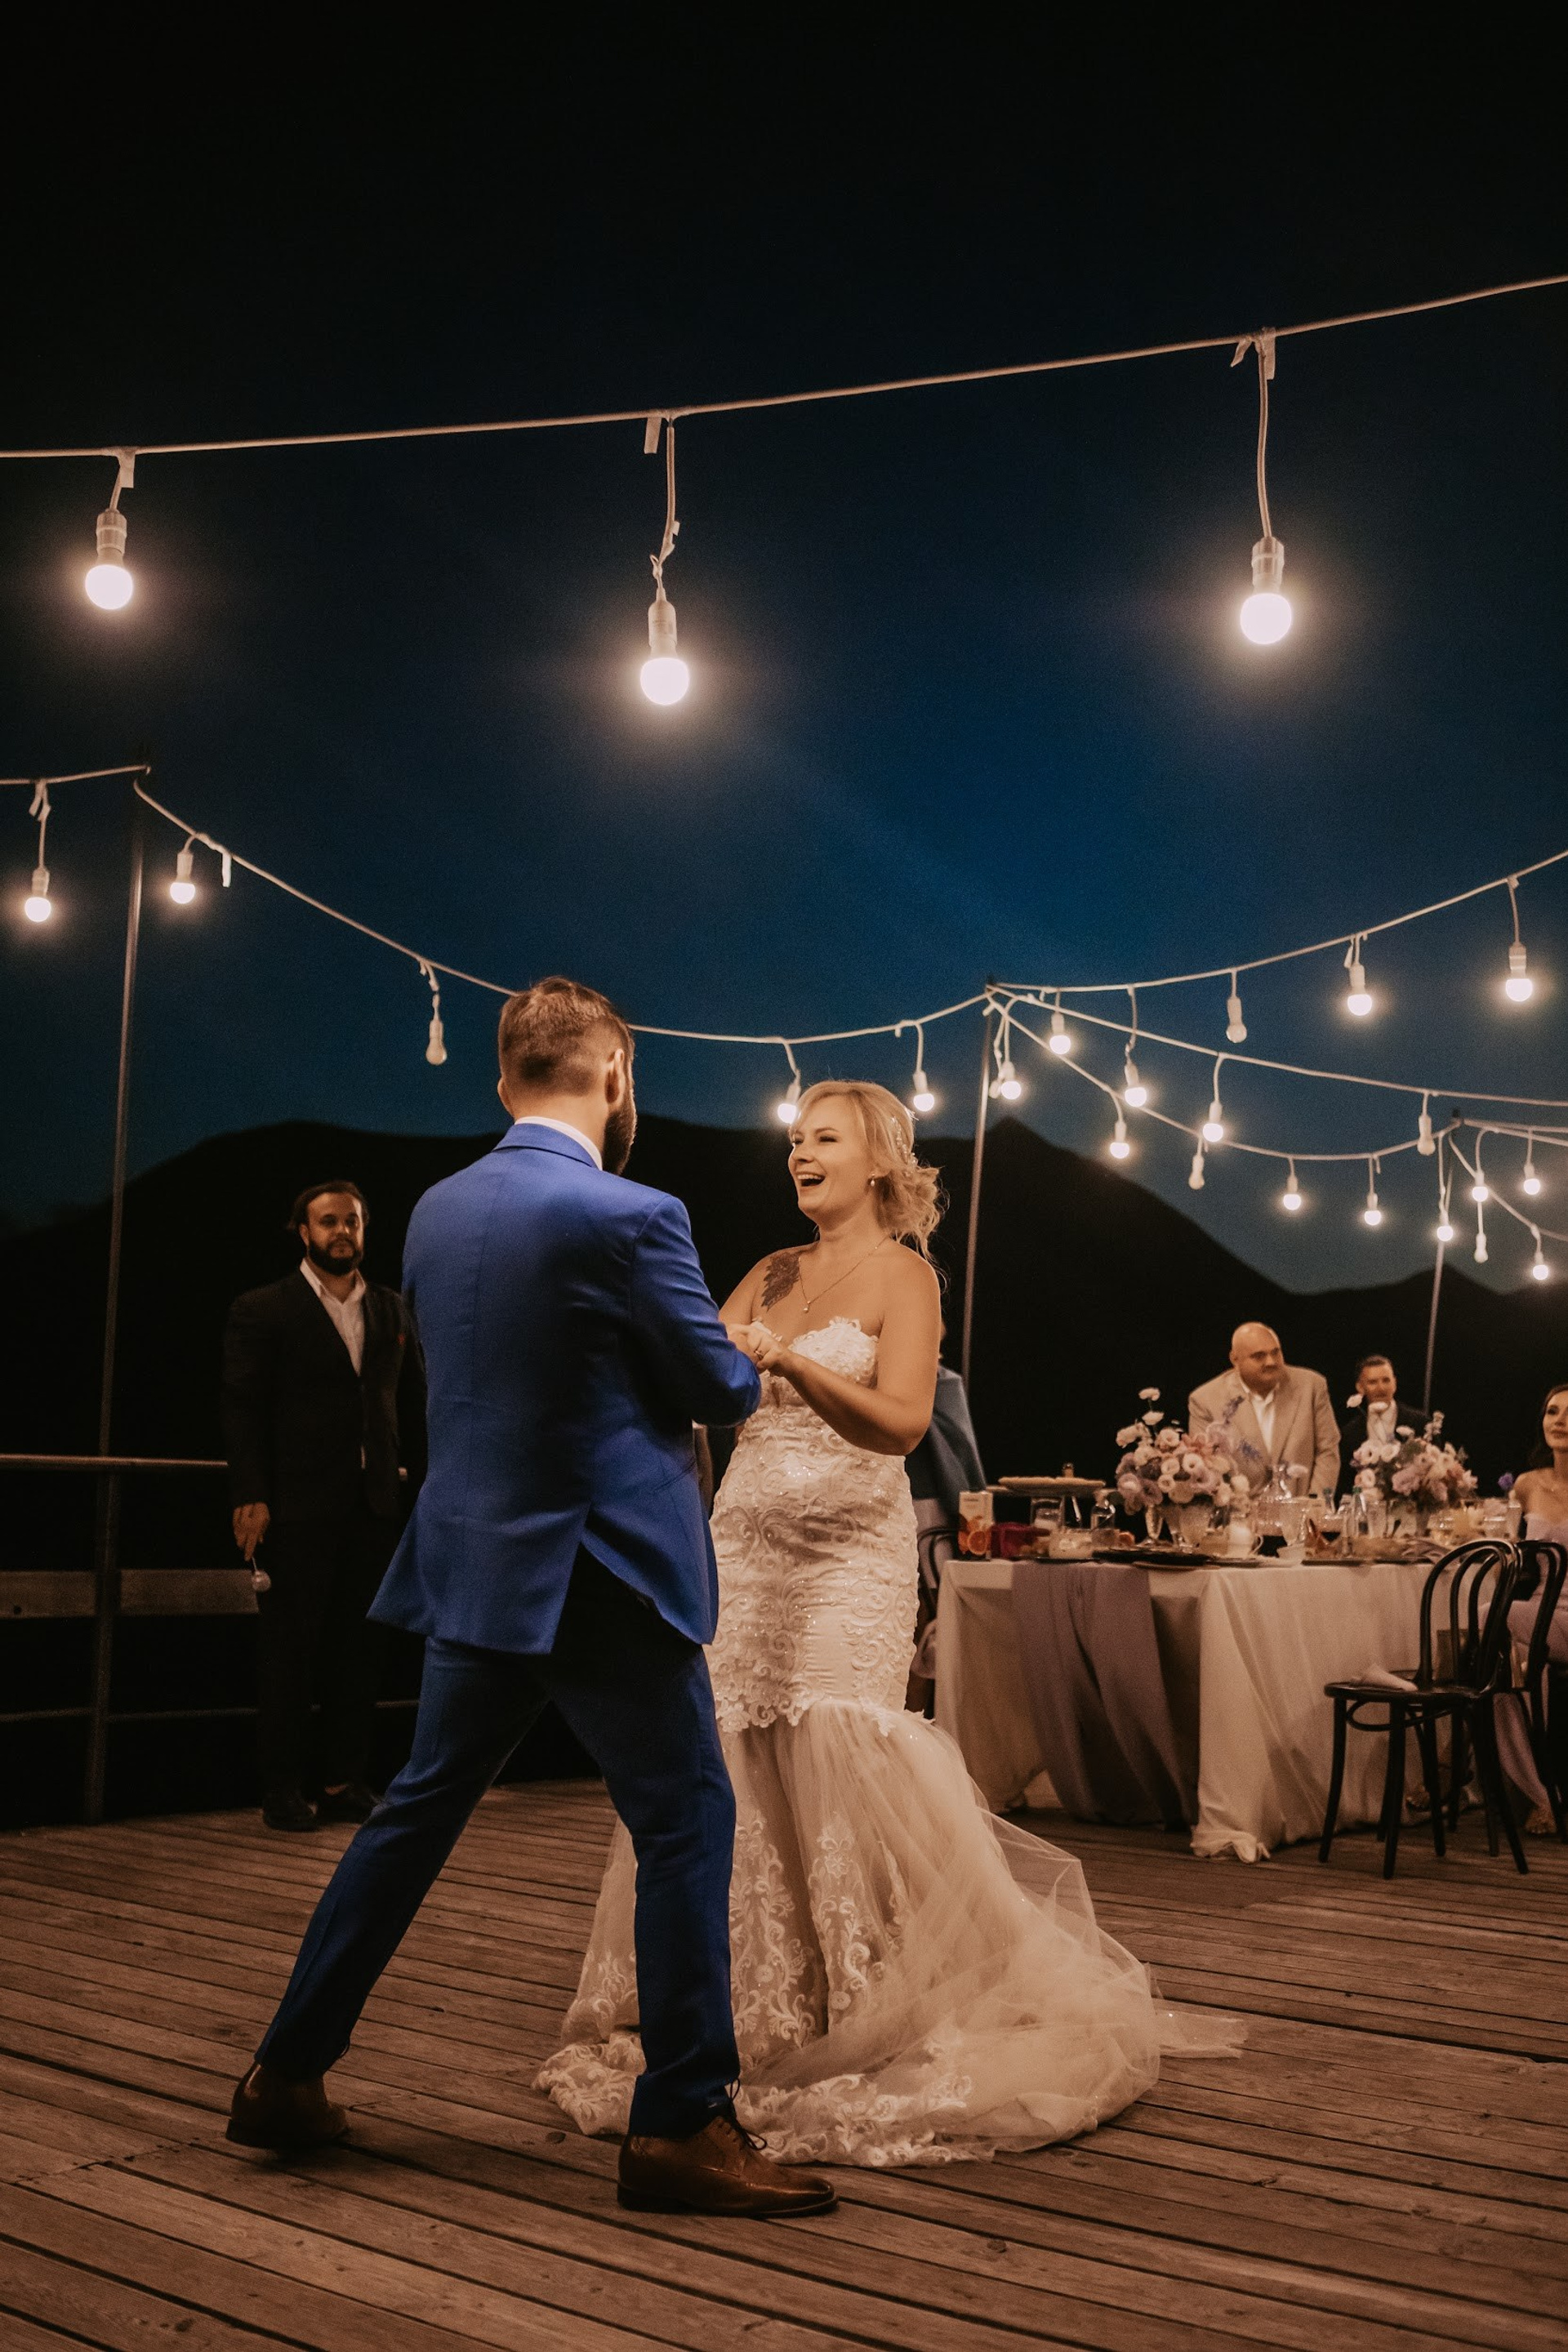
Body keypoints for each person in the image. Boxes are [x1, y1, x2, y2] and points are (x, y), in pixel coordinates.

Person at [226, 977, 835, 2221]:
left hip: (475, 1565)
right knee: (685, 1820)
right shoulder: (636, 1214)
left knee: (413, 1814)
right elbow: (715, 1389)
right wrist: (740, 1355)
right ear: (615, 1075)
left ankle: (283, 2073)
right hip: (604, 1570)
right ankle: (680, 2126)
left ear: (504, 1079)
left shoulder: (437, 1213)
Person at [540, 1080, 1236, 2167]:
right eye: (793, 1140)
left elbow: (904, 1422)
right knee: (730, 1758)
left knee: (841, 1751)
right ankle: (741, 2005)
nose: (798, 1154)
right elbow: (702, 1384)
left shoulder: (908, 1277)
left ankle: (870, 2003)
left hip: (845, 1559)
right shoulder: (769, 1272)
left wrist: (790, 1363)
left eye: (822, 1138)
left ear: (876, 1163)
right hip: (744, 1553)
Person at [222, 1182, 426, 1833]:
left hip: (375, 1507)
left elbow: (414, 1406)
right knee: (290, 1654)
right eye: (329, 1221)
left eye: (353, 1221)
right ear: (303, 1232)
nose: (343, 1231)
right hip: (296, 1508)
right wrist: (250, 1495)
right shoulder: (264, 1309)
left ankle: (342, 1781)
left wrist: (425, 1492)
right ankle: (282, 1789)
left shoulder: (393, 1310)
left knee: (361, 1652)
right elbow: (243, 1409)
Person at [1495, 1380, 1568, 1836]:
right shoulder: (1526, 1485)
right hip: (1538, 1615)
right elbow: (1507, 1546)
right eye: (1553, 1411)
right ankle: (1542, 1796)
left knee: (1486, 1616)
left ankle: (1453, 1754)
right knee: (1515, 1664)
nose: (1560, 1421)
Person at [1189, 1322, 1339, 1496]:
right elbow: (1206, 1469)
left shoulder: (1311, 1386)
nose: (1271, 1362)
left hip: (1303, 1508)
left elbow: (1327, 1451)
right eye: (1259, 1356)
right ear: (1235, 1360)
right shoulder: (1205, 1400)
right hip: (1239, 1511)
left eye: (1276, 1352)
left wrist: (1316, 1504)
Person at [1338, 1354, 1419, 1492]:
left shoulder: (1419, 1423)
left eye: (1386, 1380)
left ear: (1395, 1383)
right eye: (1373, 1382)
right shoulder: (1349, 1433)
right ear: (1360, 1387)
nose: (1381, 1388)